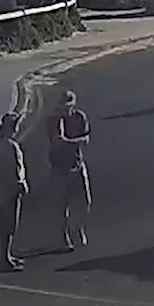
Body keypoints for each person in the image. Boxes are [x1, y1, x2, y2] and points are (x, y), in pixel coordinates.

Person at [47, 90, 91, 250]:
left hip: (77, 163)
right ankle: (62, 237)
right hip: (60, 167)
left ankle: (77, 227)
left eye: (66, 106)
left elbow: (86, 139)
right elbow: (58, 141)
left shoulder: (79, 117)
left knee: (85, 201)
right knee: (62, 205)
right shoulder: (53, 120)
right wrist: (75, 141)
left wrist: (70, 141)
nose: (63, 109)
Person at [0, 112, 29, 271]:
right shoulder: (9, 146)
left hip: (1, 191)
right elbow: (8, 170)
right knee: (8, 224)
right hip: (9, 192)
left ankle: (8, 255)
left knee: (6, 224)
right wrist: (19, 185)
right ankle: (5, 258)